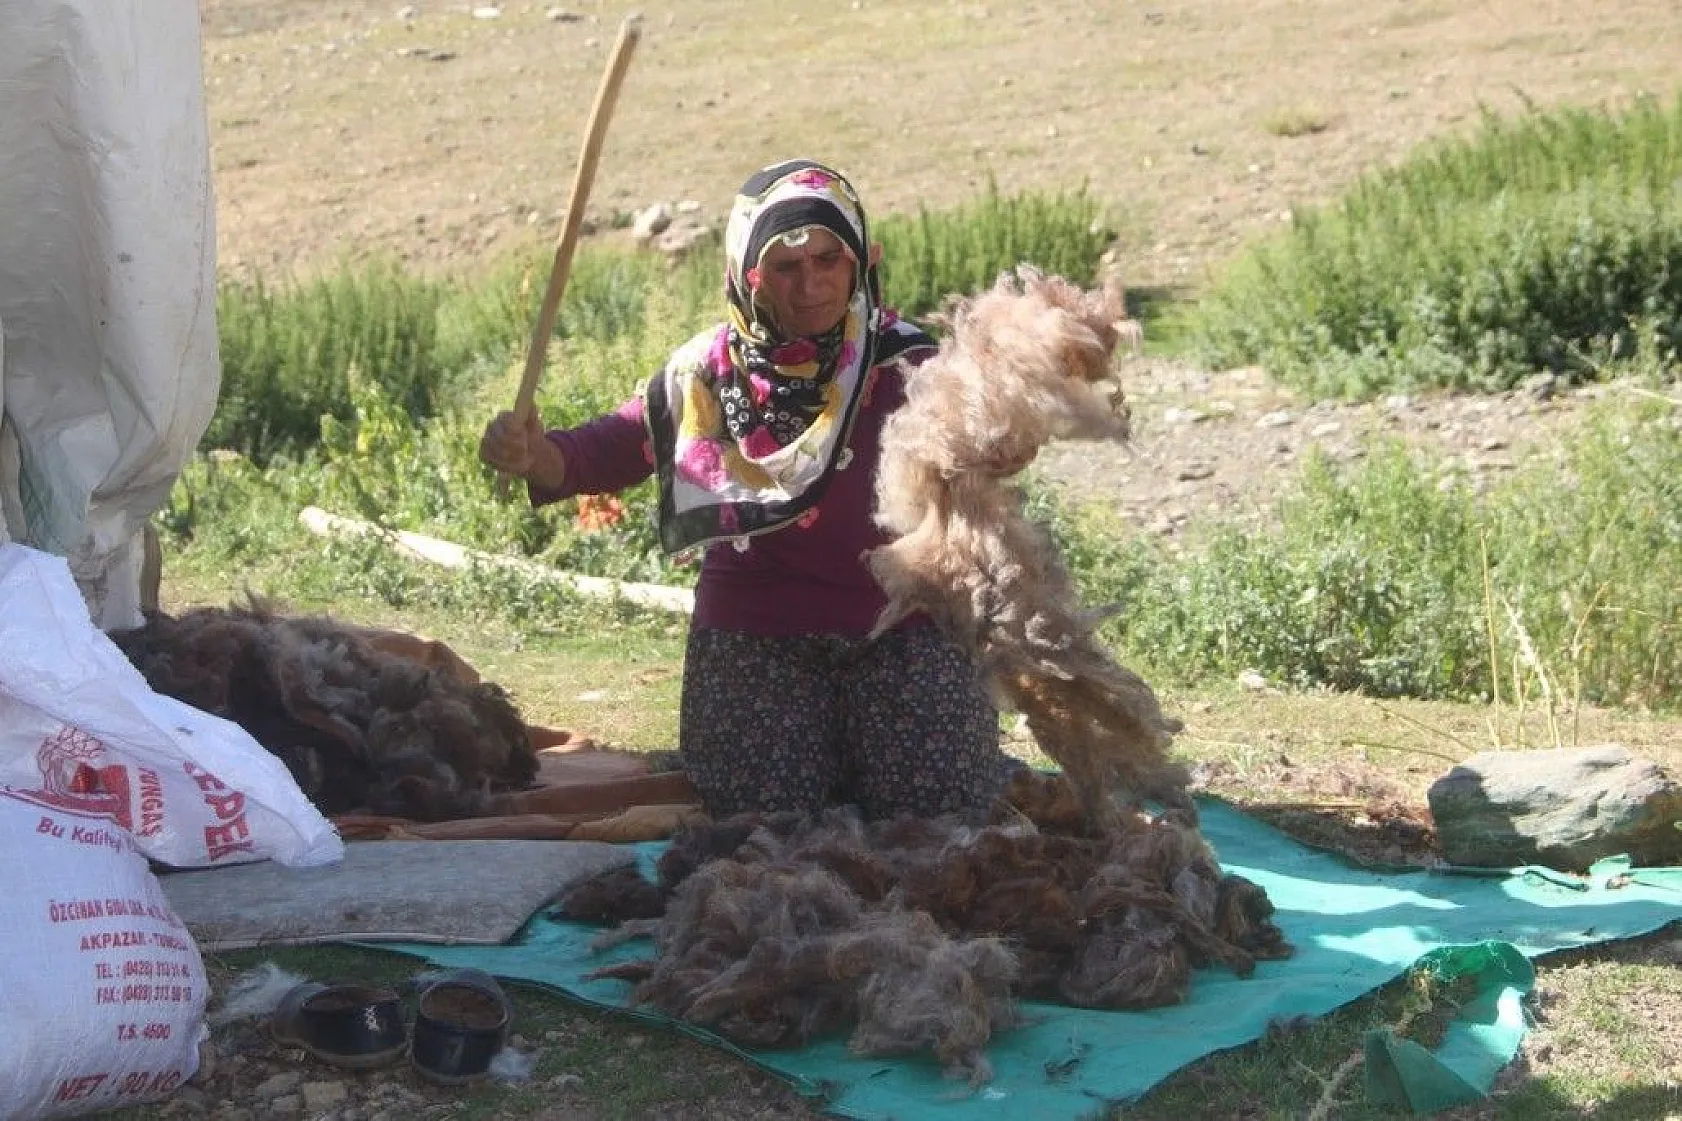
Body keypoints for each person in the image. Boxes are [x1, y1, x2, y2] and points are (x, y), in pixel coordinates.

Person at [480, 158, 1019, 820]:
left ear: (859, 261)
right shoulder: (706, 374)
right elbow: (599, 453)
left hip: (901, 631)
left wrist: (1007, 433)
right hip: (757, 641)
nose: (812, 285)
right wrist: (533, 453)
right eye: (787, 268)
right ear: (748, 274)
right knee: (762, 825)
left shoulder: (909, 365)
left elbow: (984, 458)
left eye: (829, 259)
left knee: (944, 813)